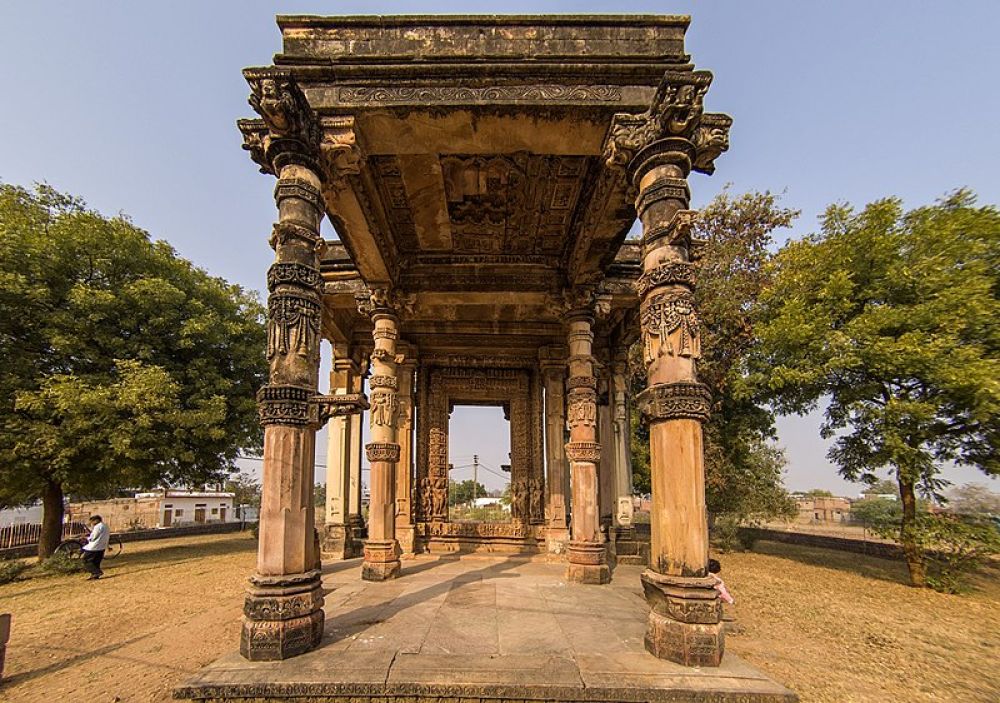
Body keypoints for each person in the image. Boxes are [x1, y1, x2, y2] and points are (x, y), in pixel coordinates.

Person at [81, 515, 110, 580]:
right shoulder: (106, 526)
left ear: (96, 520)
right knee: (96, 562)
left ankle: (96, 572)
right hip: (102, 547)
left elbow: (93, 537)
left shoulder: (97, 527)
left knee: (86, 561)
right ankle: (94, 576)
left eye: (92, 522)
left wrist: (87, 538)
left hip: (94, 547)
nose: (91, 523)